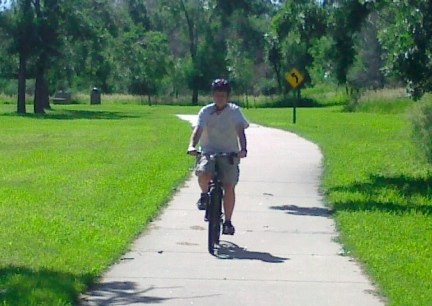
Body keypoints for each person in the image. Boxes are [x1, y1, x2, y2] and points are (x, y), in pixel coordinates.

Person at [187, 78, 249, 235]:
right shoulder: (205, 111)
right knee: (204, 172)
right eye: (216, 95)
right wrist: (192, 146)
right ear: (212, 96)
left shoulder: (234, 111)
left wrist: (243, 149)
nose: (219, 98)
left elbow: (240, 130)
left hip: (229, 153)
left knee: (229, 186)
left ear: (228, 96)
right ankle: (203, 195)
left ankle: (227, 222)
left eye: (222, 95)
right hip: (208, 151)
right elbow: (198, 130)